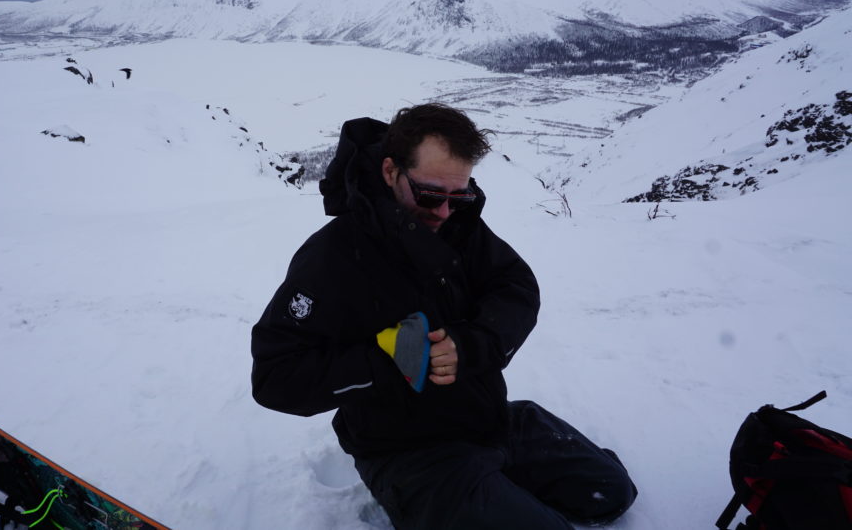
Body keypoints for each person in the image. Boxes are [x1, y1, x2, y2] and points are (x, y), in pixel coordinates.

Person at [251, 103, 636, 529]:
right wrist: (390, 359)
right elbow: (275, 378)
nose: (444, 212)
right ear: (390, 172)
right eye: (431, 195)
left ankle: (498, 480)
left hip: (489, 419)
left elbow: (516, 286)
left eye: (460, 196)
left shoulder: (455, 224)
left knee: (611, 493)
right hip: (408, 451)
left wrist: (473, 343)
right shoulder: (332, 258)